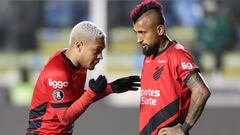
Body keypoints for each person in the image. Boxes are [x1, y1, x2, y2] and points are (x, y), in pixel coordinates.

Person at [25, 21, 140, 135]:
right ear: (79, 46)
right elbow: (65, 118)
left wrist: (111, 88)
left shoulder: (79, 64)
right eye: (97, 50)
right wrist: (92, 93)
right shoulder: (58, 73)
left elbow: (76, 99)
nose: (100, 56)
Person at [130, 0, 211, 135]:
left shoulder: (177, 55)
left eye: (143, 32)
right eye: (136, 32)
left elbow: (201, 91)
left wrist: (183, 129)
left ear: (160, 30)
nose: (139, 39)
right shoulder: (149, 55)